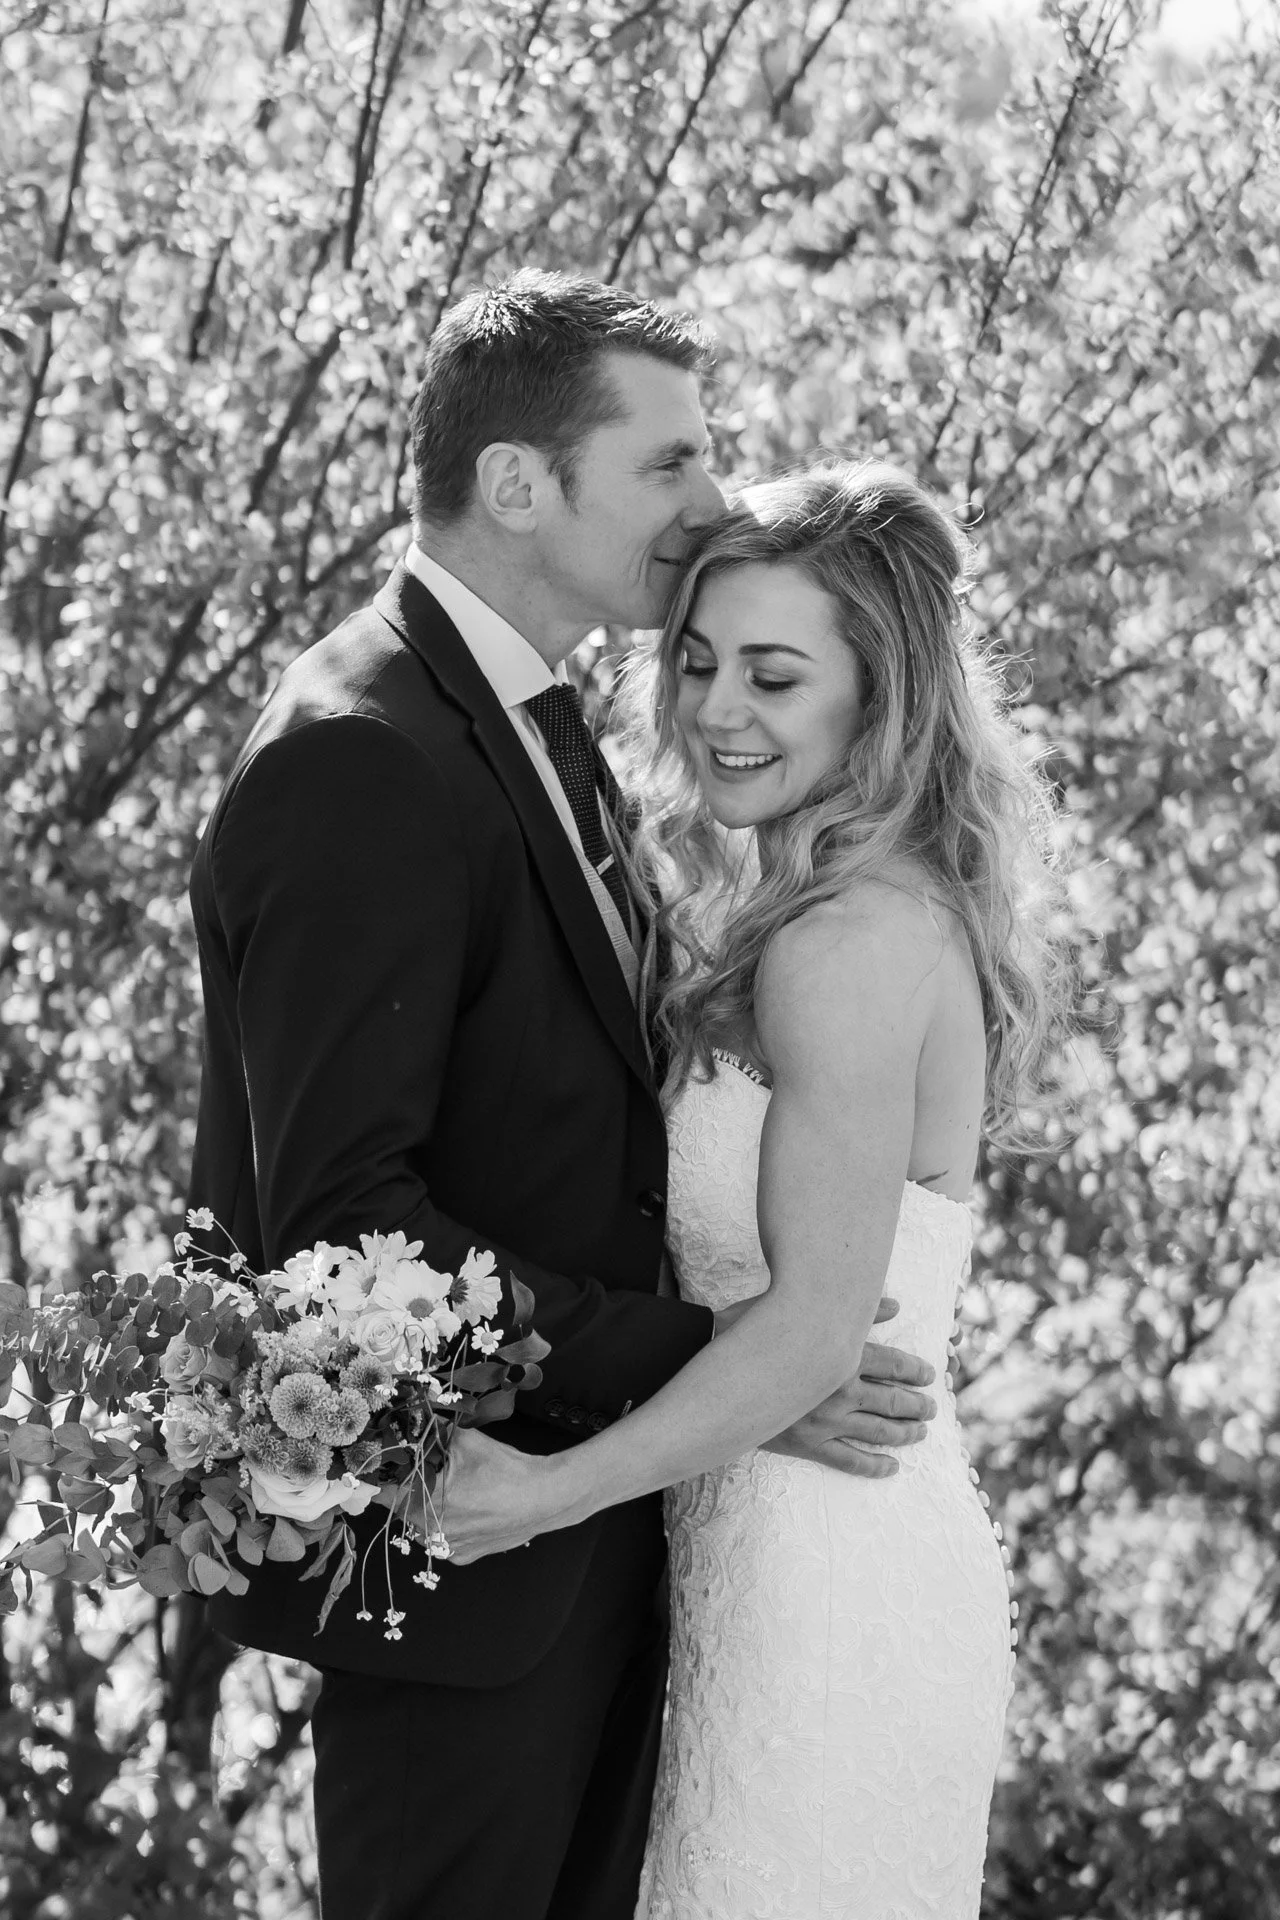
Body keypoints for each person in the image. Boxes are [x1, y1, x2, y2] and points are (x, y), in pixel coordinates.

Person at [185, 276, 939, 1920]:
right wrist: (730, 1366)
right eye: (670, 462)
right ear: (521, 482)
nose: (716, 501)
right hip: (469, 1560)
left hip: (607, 1544)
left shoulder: (537, 725)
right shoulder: (360, 755)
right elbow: (344, 1224)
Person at [440, 460, 1077, 1917]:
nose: (721, 710)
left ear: (883, 697)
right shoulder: (806, 905)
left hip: (828, 1570)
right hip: (761, 1532)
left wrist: (542, 1494)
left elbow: (809, 1330)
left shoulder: (848, 943)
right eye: (703, 662)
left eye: (777, 677)